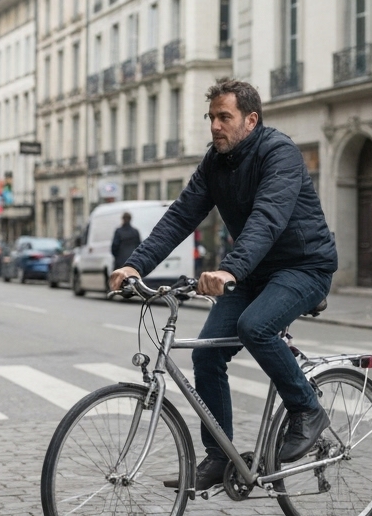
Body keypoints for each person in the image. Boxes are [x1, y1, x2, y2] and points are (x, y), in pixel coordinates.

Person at [110, 79, 338, 492]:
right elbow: (180, 217)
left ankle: (307, 409)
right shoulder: (215, 163)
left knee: (256, 327)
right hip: (254, 273)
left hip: (304, 266)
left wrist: (230, 270)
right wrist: (134, 266)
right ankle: (219, 458)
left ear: (250, 120)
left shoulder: (279, 153)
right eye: (211, 117)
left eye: (224, 117)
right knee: (206, 355)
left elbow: (268, 217)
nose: (215, 126)